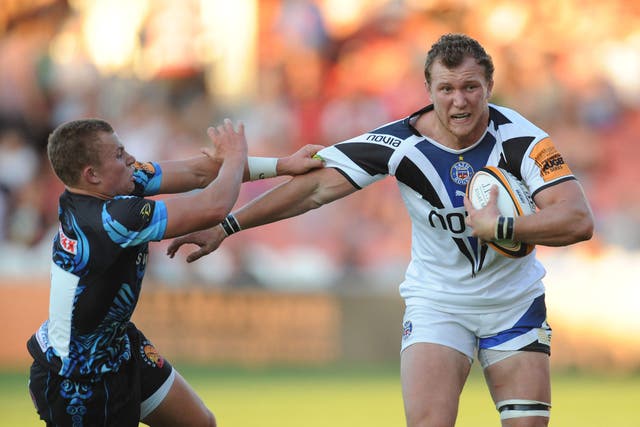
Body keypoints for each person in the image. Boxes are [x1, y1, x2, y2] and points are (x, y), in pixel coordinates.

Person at [167, 33, 595, 427]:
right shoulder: (399, 143)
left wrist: (500, 225)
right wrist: (226, 225)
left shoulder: (523, 140)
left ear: (489, 87)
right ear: (428, 91)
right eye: (447, 89)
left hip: (513, 305)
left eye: (470, 88)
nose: (459, 101)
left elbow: (578, 219)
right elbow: (313, 188)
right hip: (438, 305)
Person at [26, 117, 323, 427]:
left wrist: (284, 165)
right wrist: (235, 154)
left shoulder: (110, 186)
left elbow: (199, 172)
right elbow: (213, 206)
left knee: (200, 423)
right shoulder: (110, 220)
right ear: (92, 174)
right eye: (118, 155)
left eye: (123, 149)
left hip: (117, 346)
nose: (130, 159)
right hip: (77, 378)